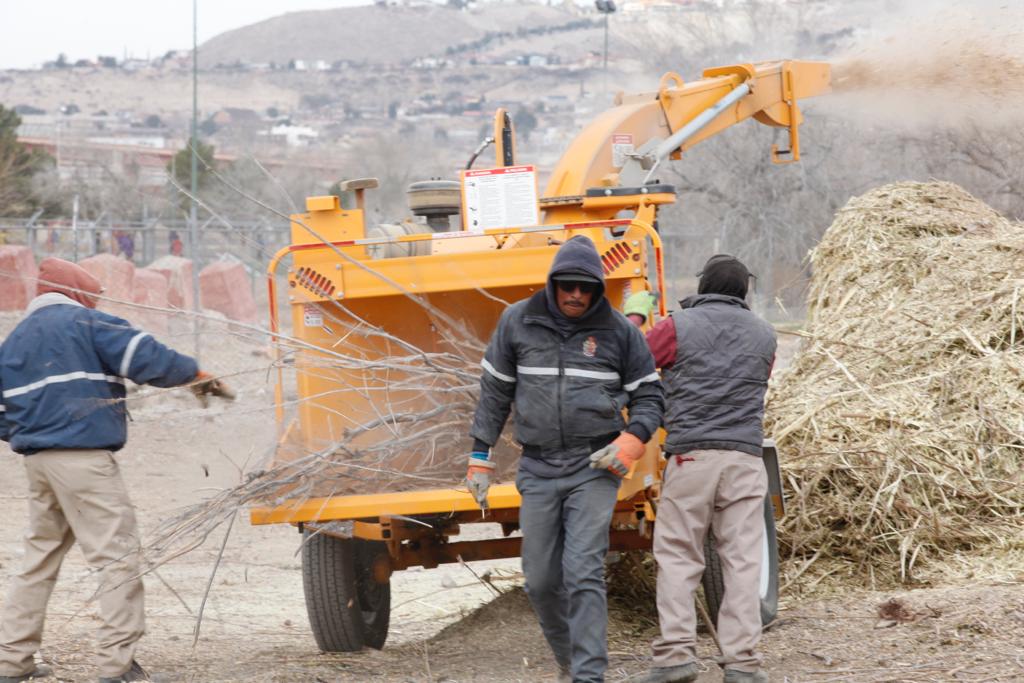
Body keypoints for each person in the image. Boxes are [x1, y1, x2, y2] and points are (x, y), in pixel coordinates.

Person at [0, 258, 233, 683]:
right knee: (117, 557)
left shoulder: (12, 343)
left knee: (37, 561)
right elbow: (143, 355)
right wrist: (194, 374)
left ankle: (11, 663)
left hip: (38, 463)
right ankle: (117, 667)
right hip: (84, 460)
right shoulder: (85, 323)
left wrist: (30, 432)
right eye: (91, 297)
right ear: (77, 294)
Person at [467, 235, 664, 683]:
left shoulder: (620, 332)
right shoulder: (518, 322)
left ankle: (589, 675)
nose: (576, 294)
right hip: (537, 468)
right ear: (553, 283)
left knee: (583, 571)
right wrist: (480, 455)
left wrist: (632, 441)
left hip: (593, 467)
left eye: (586, 287)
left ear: (597, 289)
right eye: (567, 286)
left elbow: (651, 397)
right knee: (539, 580)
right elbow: (494, 394)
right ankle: (570, 660)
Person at [631, 255, 776, 683]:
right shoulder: (765, 334)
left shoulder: (677, 327)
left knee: (679, 556)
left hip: (691, 457)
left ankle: (676, 655)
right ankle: (743, 663)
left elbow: (635, 361)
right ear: (744, 291)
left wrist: (635, 317)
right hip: (745, 459)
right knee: (743, 562)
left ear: (702, 286)